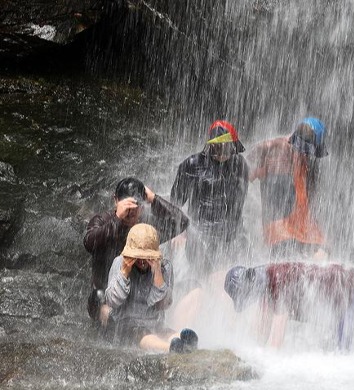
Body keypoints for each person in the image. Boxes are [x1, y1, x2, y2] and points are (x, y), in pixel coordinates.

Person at [84, 177, 189, 329]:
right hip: (109, 294)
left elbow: (182, 222)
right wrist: (116, 219)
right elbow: (89, 243)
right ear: (116, 201)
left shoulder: (146, 228)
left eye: (136, 205)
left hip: (140, 296)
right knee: (98, 296)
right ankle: (110, 328)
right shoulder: (103, 220)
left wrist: (153, 199)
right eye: (126, 205)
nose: (131, 211)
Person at [170, 119, 249, 276]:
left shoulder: (240, 165)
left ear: (234, 146)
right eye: (217, 147)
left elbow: (238, 204)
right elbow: (175, 202)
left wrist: (237, 233)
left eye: (226, 147)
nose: (221, 152)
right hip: (200, 234)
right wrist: (179, 232)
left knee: (235, 276)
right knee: (202, 277)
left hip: (231, 235)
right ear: (211, 145)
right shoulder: (192, 164)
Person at [224, 262, 354, 349]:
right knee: (333, 350)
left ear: (248, 287)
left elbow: (275, 343)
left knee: (343, 354)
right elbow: (260, 335)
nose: (249, 300)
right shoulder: (265, 281)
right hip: (336, 294)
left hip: (351, 285)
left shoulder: (278, 280)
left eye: (245, 297)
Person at [105, 223, 198, 352]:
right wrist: (124, 273)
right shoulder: (119, 263)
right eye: (138, 256)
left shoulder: (165, 267)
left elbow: (164, 305)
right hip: (125, 324)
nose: (142, 261)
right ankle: (169, 348)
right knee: (143, 333)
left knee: (165, 332)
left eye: (147, 257)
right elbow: (112, 301)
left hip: (154, 323)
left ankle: (185, 343)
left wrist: (158, 275)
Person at [247, 117, 329, 258]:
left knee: (324, 252)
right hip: (280, 230)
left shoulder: (311, 164)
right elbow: (242, 173)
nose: (306, 154)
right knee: (288, 253)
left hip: (304, 228)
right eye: (305, 150)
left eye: (310, 152)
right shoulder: (272, 148)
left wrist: (320, 238)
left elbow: (310, 202)